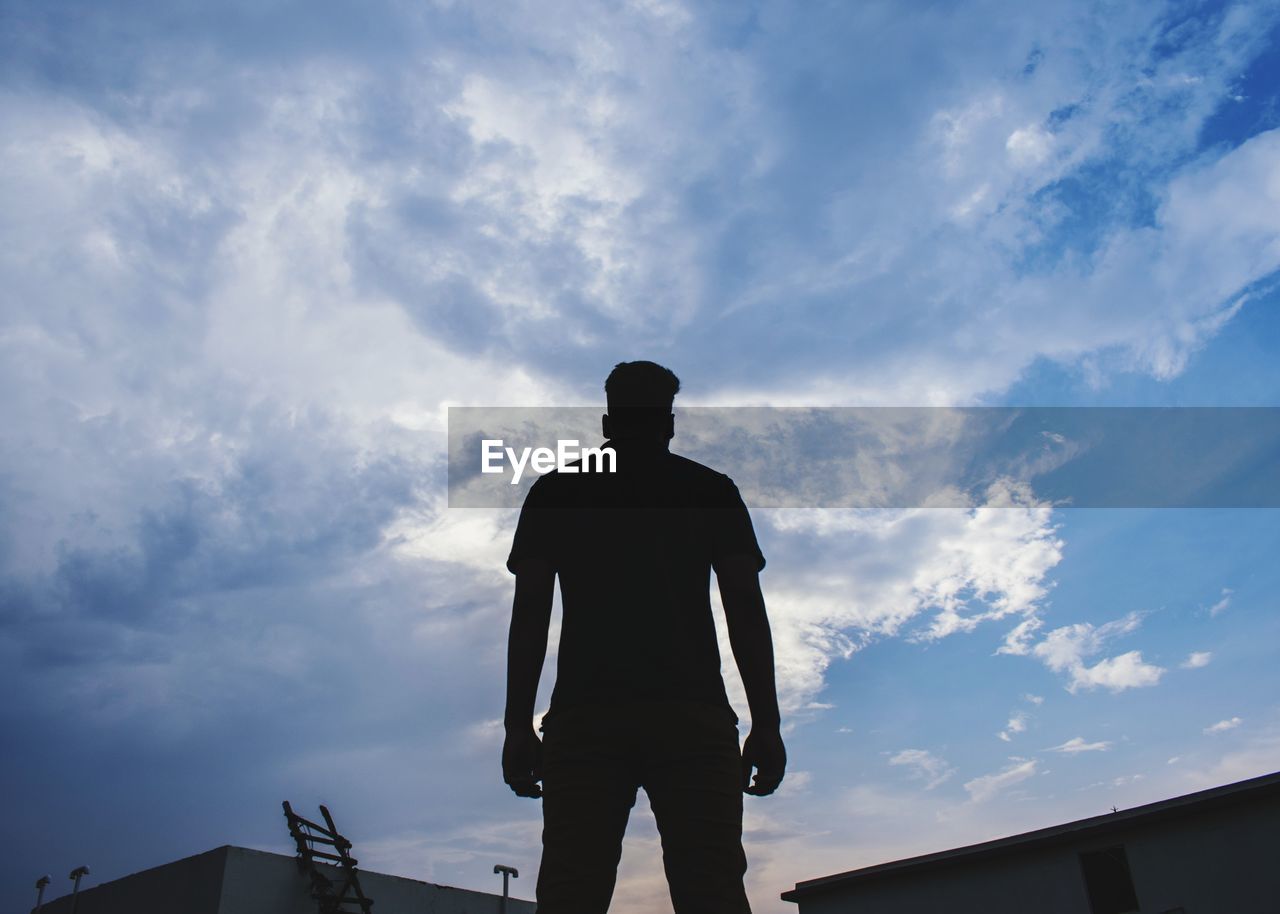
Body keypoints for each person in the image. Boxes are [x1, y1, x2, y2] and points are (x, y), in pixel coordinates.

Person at [502, 360, 785, 914]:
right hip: (692, 719)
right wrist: (767, 723)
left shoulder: (557, 492)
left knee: (569, 894)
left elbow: (530, 616)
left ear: (607, 424)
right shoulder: (709, 490)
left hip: (586, 719)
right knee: (714, 893)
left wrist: (516, 725)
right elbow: (745, 613)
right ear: (670, 423)